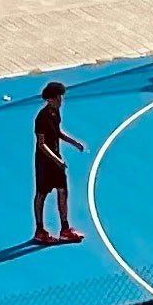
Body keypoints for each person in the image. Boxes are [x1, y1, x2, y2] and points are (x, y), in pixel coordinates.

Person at [29, 81, 86, 244]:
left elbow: (58, 132)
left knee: (63, 191)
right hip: (44, 162)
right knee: (42, 194)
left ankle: (65, 229)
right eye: (59, 98)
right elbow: (41, 144)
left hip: (56, 159)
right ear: (50, 99)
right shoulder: (41, 117)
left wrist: (74, 142)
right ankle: (40, 230)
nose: (61, 101)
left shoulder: (56, 113)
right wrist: (57, 159)